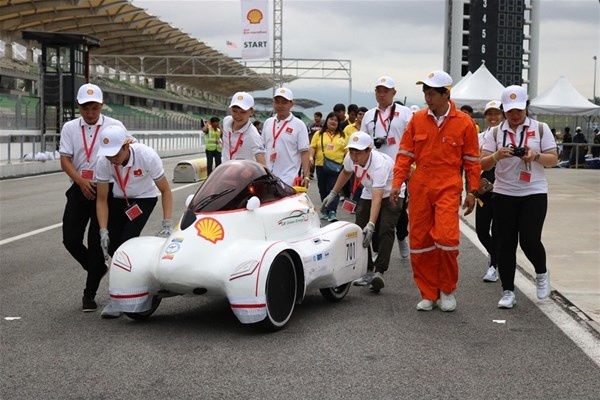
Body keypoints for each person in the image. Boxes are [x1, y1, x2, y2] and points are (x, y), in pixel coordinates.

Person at [390, 70, 480, 312]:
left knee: (447, 239)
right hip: (420, 186)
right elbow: (404, 155)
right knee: (419, 242)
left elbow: (472, 161)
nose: (427, 98)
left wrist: (473, 191)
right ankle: (428, 293)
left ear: (445, 94)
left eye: (431, 93)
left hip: (448, 185)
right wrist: (397, 183)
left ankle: (447, 289)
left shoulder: (464, 123)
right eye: (425, 93)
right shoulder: (417, 119)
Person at [480, 85, 558, 309]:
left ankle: (541, 273)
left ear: (526, 107)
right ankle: (508, 291)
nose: (515, 115)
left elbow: (553, 159)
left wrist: (535, 156)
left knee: (529, 240)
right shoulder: (495, 133)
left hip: (534, 191)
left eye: (519, 110)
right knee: (506, 243)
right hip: (504, 192)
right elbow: (482, 163)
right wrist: (496, 155)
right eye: (510, 110)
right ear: (503, 109)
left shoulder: (540, 128)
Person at [58, 83, 127, 312]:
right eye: (86, 108)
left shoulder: (114, 125)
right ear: (79, 106)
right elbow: (65, 159)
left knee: (97, 243)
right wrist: (80, 181)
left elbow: (128, 146)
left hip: (105, 190)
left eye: (94, 108)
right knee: (70, 239)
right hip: (79, 187)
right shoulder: (69, 128)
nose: (90, 113)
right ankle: (96, 268)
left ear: (101, 105)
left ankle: (89, 295)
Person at [95, 125, 174, 318]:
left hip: (143, 199)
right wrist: (103, 230)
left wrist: (167, 223)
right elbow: (102, 199)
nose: (112, 159)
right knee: (113, 247)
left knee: (126, 243)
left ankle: (117, 301)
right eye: (108, 155)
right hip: (120, 199)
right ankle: (127, 286)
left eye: (115, 154)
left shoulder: (147, 156)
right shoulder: (103, 162)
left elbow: (165, 190)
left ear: (126, 145)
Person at [321, 131, 399, 293]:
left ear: (369, 150)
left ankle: (379, 271)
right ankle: (367, 270)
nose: (354, 156)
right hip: (369, 190)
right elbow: (346, 172)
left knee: (385, 228)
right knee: (359, 229)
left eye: (359, 151)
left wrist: (372, 224)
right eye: (352, 150)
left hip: (391, 192)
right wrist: (333, 193)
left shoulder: (379, 165)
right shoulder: (350, 158)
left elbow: (378, 198)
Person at [361, 76, 413, 259]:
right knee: (374, 213)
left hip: (398, 171)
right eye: (379, 91)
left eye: (385, 91)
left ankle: (402, 236)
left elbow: (413, 140)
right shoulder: (368, 115)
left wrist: (411, 166)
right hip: (375, 171)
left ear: (394, 93)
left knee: (396, 211)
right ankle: (376, 251)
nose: (381, 94)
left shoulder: (405, 113)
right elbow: (363, 143)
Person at [261, 87, 311, 187]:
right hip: (267, 177)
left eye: (284, 102)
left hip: (288, 179)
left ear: (292, 104)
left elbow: (304, 152)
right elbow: (262, 148)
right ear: (273, 103)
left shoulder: (299, 125)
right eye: (277, 102)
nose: (280, 105)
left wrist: (306, 176)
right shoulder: (268, 123)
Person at [477, 100, 504, 283]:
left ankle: (494, 265)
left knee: (498, 229)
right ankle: (495, 255)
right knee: (481, 230)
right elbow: (474, 162)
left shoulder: (508, 135)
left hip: (503, 188)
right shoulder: (479, 137)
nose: (493, 117)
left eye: (496, 114)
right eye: (489, 114)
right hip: (484, 188)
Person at [308, 111, 348, 222]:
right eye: (331, 119)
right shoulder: (319, 134)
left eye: (336, 120)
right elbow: (312, 147)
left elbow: (347, 151)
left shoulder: (343, 135)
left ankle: (332, 211)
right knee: (322, 188)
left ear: (338, 123)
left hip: (337, 167)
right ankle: (325, 209)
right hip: (321, 165)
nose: (333, 122)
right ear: (327, 121)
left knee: (334, 188)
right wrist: (311, 157)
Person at [221, 92, 266, 166]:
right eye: (234, 111)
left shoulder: (253, 136)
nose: (237, 116)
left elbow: (263, 164)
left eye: (243, 112)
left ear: (251, 112)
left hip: (244, 176)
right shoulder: (226, 121)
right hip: (226, 173)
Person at [306, 112, 323, 179]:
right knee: (311, 158)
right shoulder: (312, 125)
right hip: (313, 144)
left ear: (320, 117)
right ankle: (311, 172)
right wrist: (310, 143)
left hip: (320, 145)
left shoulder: (323, 125)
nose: (316, 118)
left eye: (317, 117)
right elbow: (309, 134)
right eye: (315, 117)